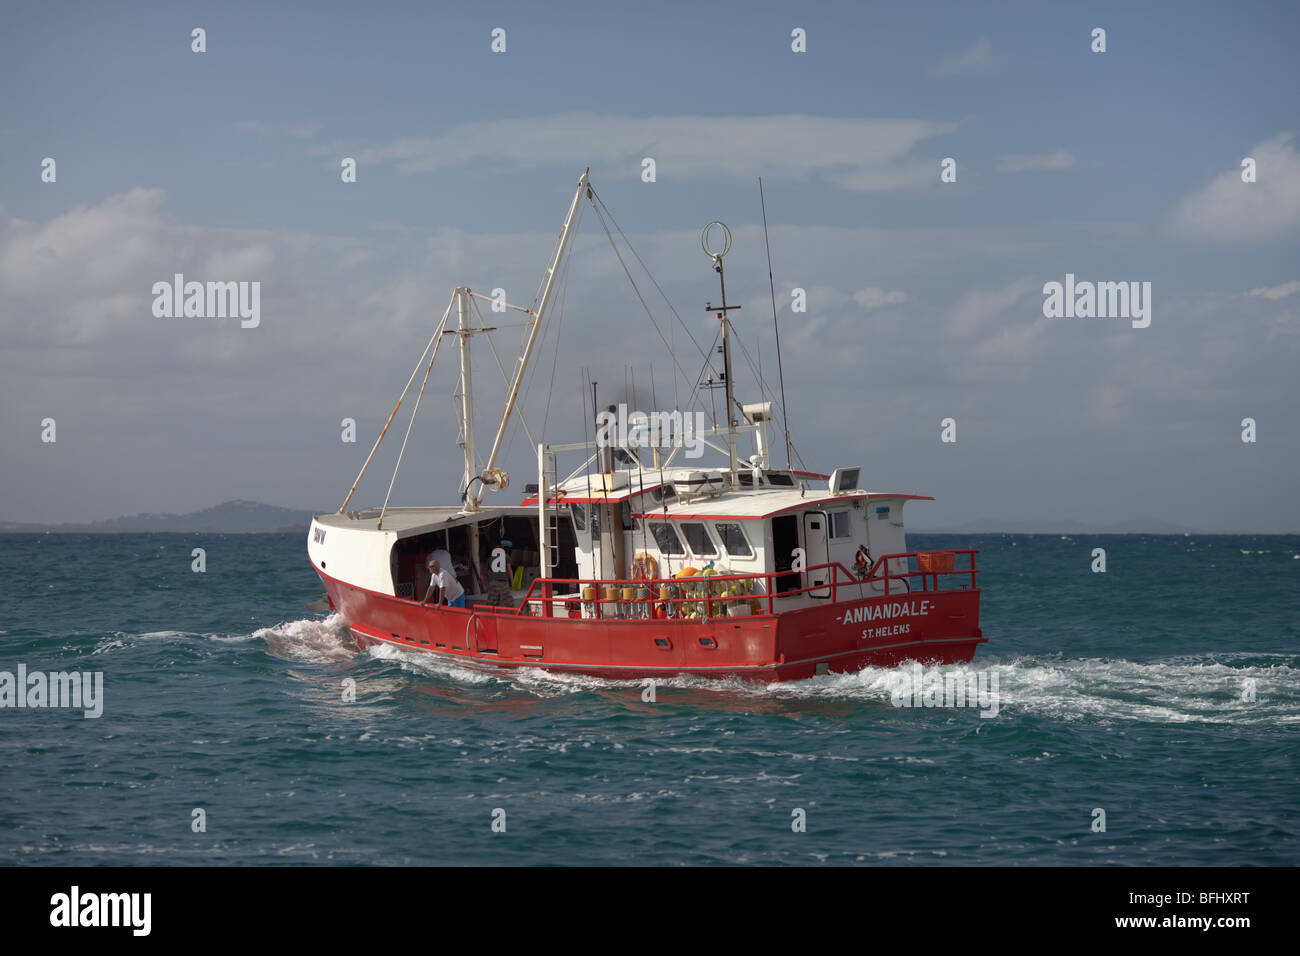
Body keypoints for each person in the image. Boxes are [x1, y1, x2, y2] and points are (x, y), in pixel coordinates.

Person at [484, 539, 515, 609]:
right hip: (503, 581)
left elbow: (488, 572)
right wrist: (512, 583)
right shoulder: (506, 556)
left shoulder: (490, 558)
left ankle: (491, 618)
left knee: (492, 603)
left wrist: (491, 580)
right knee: (509, 603)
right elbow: (509, 570)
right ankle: (514, 616)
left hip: (493, 581)